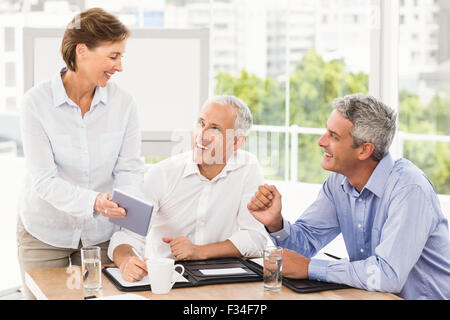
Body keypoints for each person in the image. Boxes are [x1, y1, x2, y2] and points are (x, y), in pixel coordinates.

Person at [247, 93, 450, 300]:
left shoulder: (409, 188)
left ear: (364, 150)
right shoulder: (338, 182)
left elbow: (387, 275)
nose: (320, 141)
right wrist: (275, 223)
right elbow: (302, 249)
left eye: (333, 136)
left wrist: (311, 268)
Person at [17, 8, 145, 299]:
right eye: (113, 56)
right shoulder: (35, 104)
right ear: (82, 51)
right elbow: (44, 179)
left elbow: (129, 169)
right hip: (44, 233)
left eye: (122, 57)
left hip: (99, 235)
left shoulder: (124, 104)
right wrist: (95, 202)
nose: (120, 66)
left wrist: (127, 212)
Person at [108, 95, 268, 282]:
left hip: (226, 278)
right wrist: (127, 261)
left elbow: (256, 239)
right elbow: (126, 236)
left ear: (236, 142)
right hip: (172, 279)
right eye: (201, 123)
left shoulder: (248, 167)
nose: (202, 135)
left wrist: (199, 252)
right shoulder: (161, 174)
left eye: (215, 128)